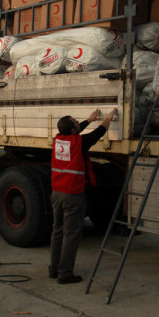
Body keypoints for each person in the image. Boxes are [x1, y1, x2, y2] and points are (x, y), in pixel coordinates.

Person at [49, 107, 118, 284]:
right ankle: (65, 273)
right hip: (72, 194)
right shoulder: (80, 143)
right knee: (71, 234)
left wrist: (89, 119)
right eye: (76, 123)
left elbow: (77, 130)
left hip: (57, 192)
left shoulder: (59, 140)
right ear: (73, 130)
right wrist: (108, 118)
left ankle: (54, 269)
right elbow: (99, 133)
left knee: (57, 231)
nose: (79, 123)